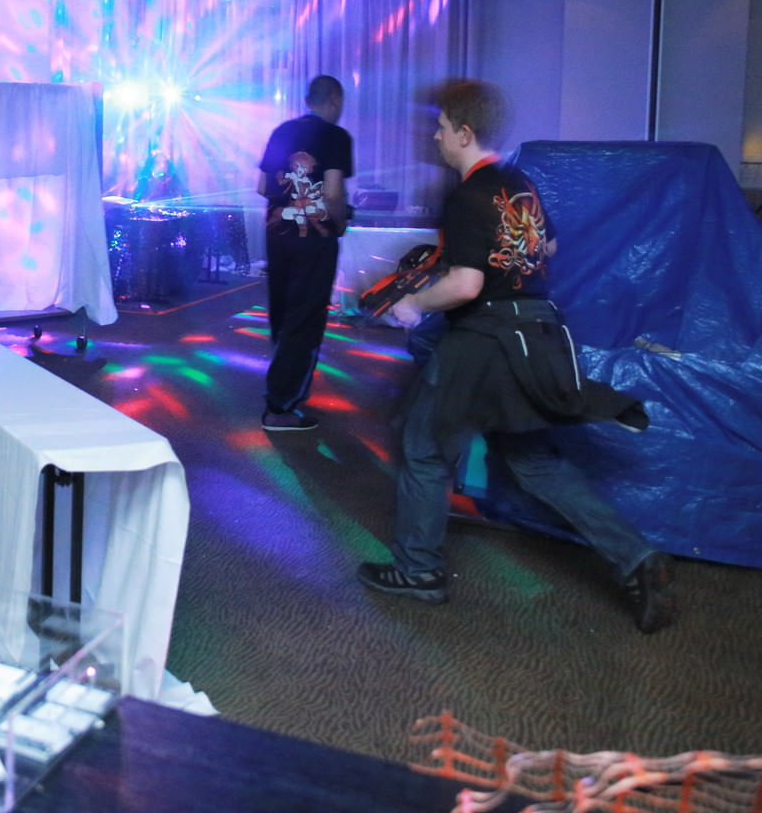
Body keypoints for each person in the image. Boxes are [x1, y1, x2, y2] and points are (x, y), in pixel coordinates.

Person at [357, 79, 676, 633]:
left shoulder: (467, 195)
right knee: (534, 462)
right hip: (537, 334)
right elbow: (547, 245)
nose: (434, 137)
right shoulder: (520, 184)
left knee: (425, 450)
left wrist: (413, 303)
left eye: (440, 128)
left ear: (464, 133)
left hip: (484, 341)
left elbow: (466, 285)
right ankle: (638, 559)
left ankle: (418, 570)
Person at [256, 74, 352, 432]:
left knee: (282, 311)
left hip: (278, 234)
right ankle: (280, 405)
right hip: (315, 237)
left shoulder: (282, 131)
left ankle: (282, 386)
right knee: (306, 316)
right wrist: (339, 223)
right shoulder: (335, 136)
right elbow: (333, 193)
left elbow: (262, 186)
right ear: (335, 101)